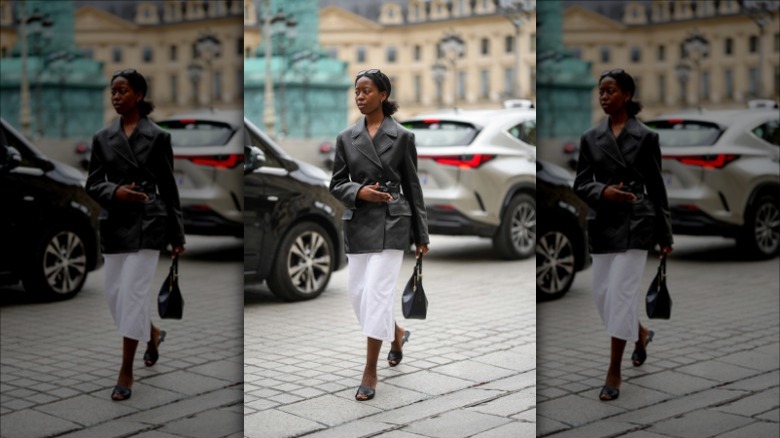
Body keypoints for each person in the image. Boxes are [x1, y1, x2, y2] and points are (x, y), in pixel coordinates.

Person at [573, 69, 673, 401]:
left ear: (626, 95)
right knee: (603, 294)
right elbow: (581, 184)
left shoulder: (646, 137)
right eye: (600, 91)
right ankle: (641, 333)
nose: (603, 96)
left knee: (620, 293)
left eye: (610, 91)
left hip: (636, 221)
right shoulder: (590, 137)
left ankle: (614, 370)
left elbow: (657, 188)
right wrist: (603, 192)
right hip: (603, 220)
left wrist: (665, 235)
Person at [330, 68, 430, 401]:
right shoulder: (346, 137)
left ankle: (370, 371)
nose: (359, 96)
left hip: (392, 220)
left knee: (376, 292)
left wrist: (421, 235)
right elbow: (336, 183)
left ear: (382, 96)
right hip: (358, 221)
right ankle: (397, 333)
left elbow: (414, 188)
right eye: (356, 91)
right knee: (358, 293)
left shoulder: (402, 137)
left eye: (366, 91)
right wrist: (360, 192)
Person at [86, 69, 185, 401]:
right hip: (115, 220)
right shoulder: (102, 138)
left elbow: (169, 188)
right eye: (112, 91)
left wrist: (178, 236)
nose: (115, 96)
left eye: (122, 91)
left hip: (148, 221)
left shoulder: (158, 136)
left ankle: (126, 371)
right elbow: (92, 183)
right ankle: (153, 333)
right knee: (115, 295)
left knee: (132, 294)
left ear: (139, 96)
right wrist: (115, 192)